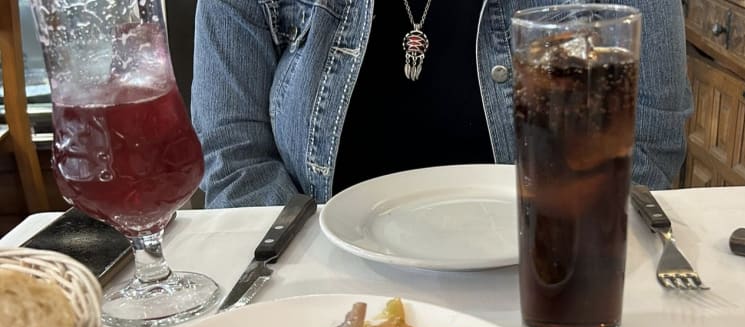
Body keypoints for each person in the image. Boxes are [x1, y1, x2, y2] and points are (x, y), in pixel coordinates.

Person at [191, 0, 693, 209]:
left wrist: (550, 267)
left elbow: (644, 140)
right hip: (318, 292)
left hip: (536, 291)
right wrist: (314, 281)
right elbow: (232, 155)